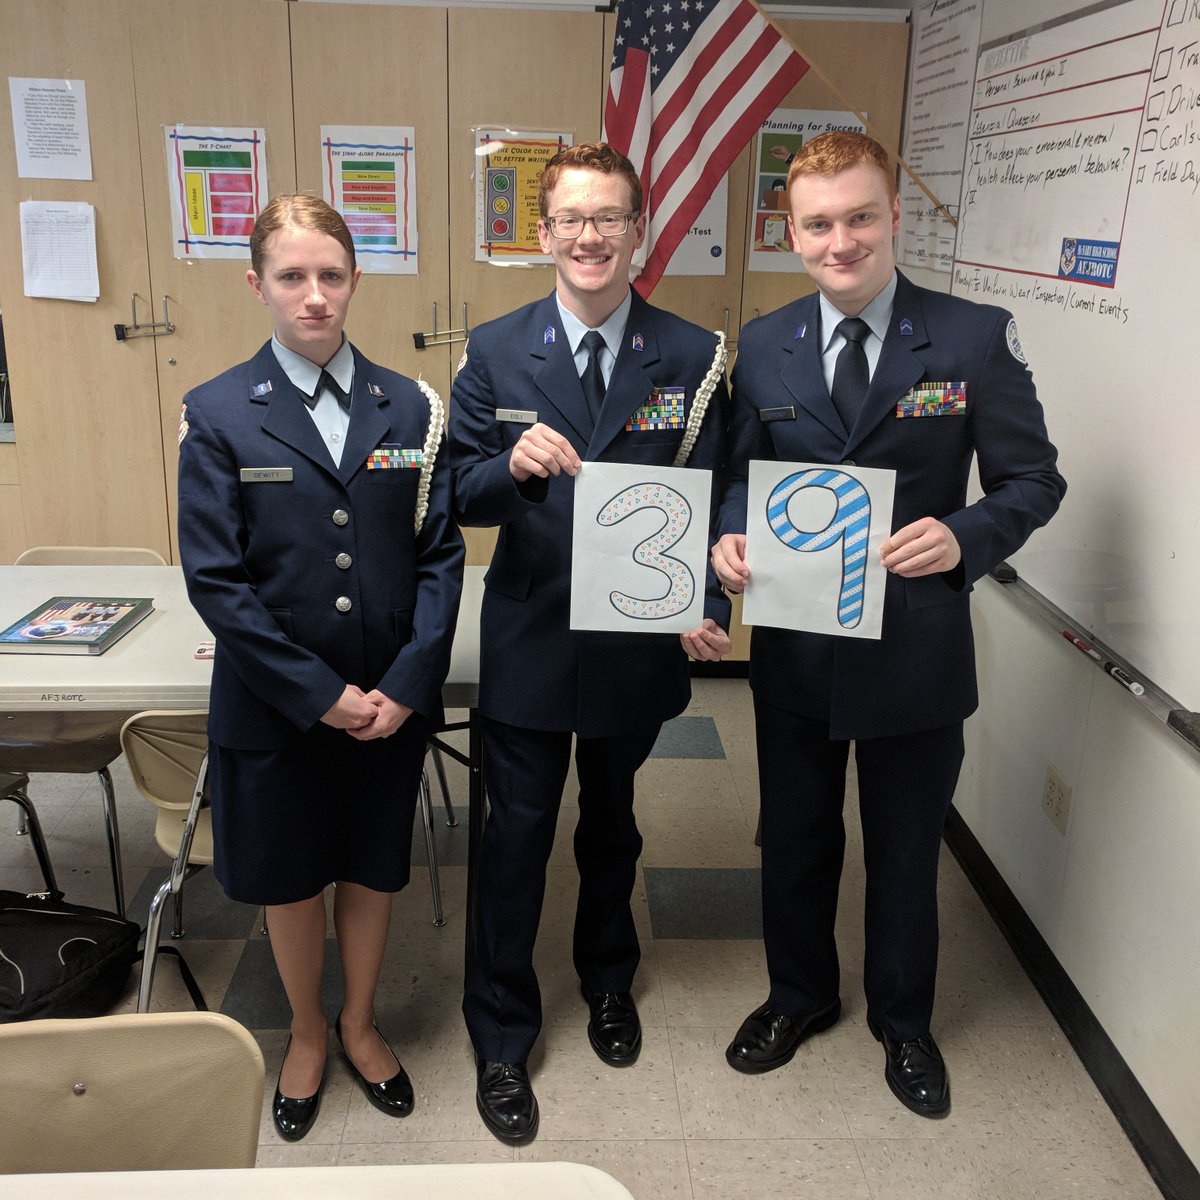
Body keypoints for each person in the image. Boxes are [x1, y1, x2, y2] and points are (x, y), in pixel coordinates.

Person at [711, 132, 1066, 1118]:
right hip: (795, 647)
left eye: (860, 216)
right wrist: (730, 539)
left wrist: (964, 537)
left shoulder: (971, 338)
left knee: (907, 853)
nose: (842, 241)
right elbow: (742, 474)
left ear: (895, 214)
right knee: (793, 839)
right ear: (791, 231)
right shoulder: (768, 342)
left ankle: (903, 1025)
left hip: (915, 649)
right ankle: (799, 996)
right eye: (819, 224)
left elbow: (1036, 480)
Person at [448, 142, 730, 1143]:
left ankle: (609, 981)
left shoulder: (695, 356)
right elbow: (454, 494)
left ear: (639, 230)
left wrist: (710, 595)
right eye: (571, 218)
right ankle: (500, 1032)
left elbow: (719, 490)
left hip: (635, 647)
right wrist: (509, 469)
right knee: (515, 835)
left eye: (609, 216)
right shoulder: (492, 349)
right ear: (543, 235)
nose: (589, 235)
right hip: (529, 638)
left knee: (612, 823)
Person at [177, 195, 464, 1142]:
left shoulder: (411, 404)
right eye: (292, 276)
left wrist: (411, 683)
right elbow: (217, 582)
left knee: (371, 867)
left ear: (355, 280)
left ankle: (359, 1021)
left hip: (386, 701)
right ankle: (305, 1029)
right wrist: (319, 695)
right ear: (255, 282)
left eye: (331, 275)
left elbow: (440, 553)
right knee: (294, 875)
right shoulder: (217, 412)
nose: (314, 296)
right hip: (278, 707)